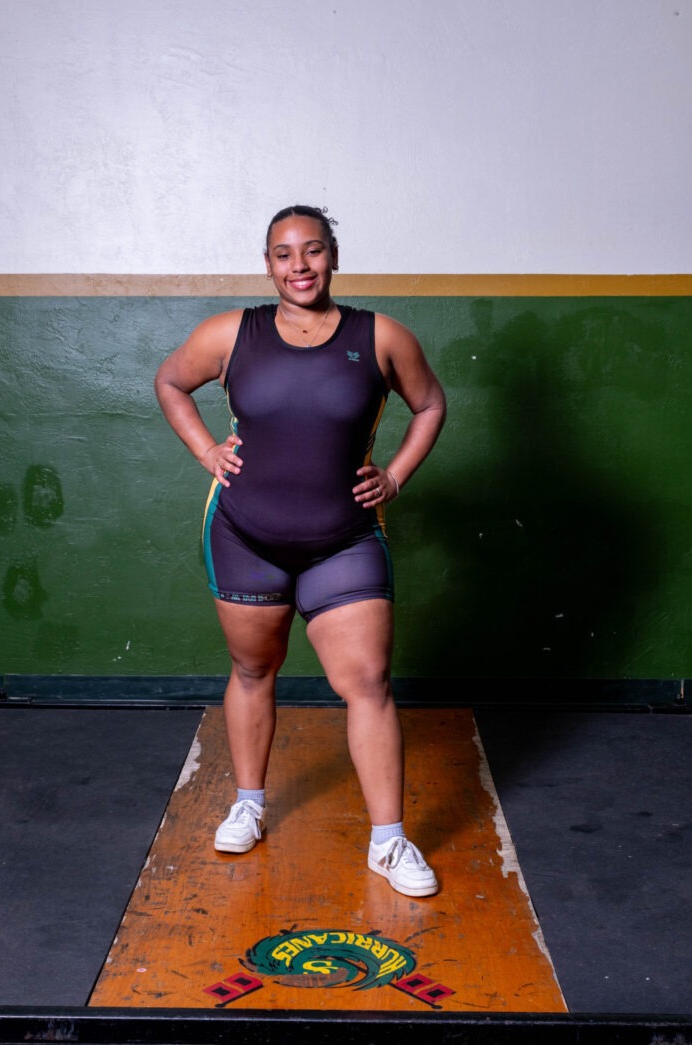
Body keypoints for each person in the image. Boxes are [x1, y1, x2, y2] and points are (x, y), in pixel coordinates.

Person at [154, 205, 446, 897]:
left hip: (343, 539)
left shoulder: (380, 337)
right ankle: (249, 804)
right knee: (254, 670)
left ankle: (388, 840)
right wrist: (205, 449)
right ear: (267, 263)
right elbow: (170, 382)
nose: (299, 266)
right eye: (283, 254)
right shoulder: (231, 334)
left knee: (367, 682)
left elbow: (430, 403)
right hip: (244, 535)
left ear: (332, 256)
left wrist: (396, 475)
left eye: (312, 251)